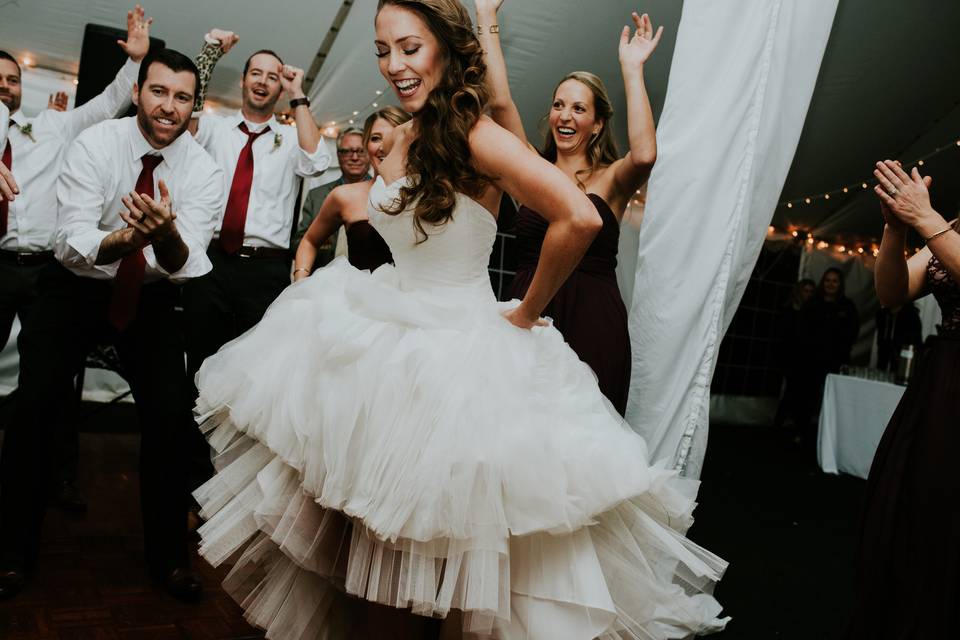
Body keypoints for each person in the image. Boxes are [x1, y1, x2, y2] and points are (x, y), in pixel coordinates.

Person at [190, 1, 728, 637]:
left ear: (446, 47)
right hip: (386, 331)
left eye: (410, 48)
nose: (394, 64)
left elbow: (578, 218)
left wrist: (526, 312)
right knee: (365, 552)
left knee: (420, 562)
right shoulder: (412, 132)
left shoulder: (477, 135)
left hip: (450, 356)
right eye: (383, 49)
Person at [0, 48, 223, 601]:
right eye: (158, 91)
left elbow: (185, 263)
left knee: (171, 417)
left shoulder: (203, 168)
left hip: (146, 297)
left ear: (193, 104)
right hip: (73, 289)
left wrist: (164, 235)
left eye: (182, 97)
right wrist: (128, 237)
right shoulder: (96, 143)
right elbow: (71, 243)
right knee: (33, 407)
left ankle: (169, 558)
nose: (169, 107)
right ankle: (10, 552)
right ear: (139, 91)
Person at [0, 6, 152, 515]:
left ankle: (61, 478)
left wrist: (134, 64)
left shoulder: (53, 127)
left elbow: (109, 104)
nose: (5, 86)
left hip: (46, 270)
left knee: (51, 381)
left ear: (22, 88)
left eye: (11, 79)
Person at [475, 0, 661, 415]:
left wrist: (632, 70)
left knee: (587, 439)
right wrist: (486, 17)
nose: (565, 114)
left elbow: (646, 155)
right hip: (530, 314)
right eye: (559, 104)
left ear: (596, 124)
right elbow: (501, 101)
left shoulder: (611, 180)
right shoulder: (531, 173)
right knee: (518, 429)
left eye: (579, 108)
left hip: (593, 317)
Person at [182, 29, 330, 489]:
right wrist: (209, 54)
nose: (263, 81)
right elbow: (182, 112)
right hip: (210, 263)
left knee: (252, 378)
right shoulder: (212, 128)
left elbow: (316, 160)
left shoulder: (288, 139)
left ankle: (234, 483)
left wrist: (299, 94)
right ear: (243, 80)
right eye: (256, 73)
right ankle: (193, 478)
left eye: (272, 76)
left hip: (264, 269)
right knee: (201, 370)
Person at [844, 161, 960, 638]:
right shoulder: (952, 227)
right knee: (919, 504)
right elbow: (892, 292)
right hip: (942, 385)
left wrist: (925, 219)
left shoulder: (941, 225)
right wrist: (895, 230)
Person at [293, 107, 408, 278]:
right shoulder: (345, 196)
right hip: (358, 299)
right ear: (367, 146)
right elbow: (308, 241)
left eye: (394, 137)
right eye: (375, 138)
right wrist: (301, 282)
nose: (384, 146)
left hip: (414, 299)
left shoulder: (431, 193)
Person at [293, 126, 373, 264]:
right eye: (346, 151)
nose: (354, 157)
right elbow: (298, 245)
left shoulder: (383, 193)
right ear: (338, 155)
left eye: (361, 151)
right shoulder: (316, 196)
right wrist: (321, 238)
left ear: (370, 154)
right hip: (324, 276)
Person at [774, 278, 815, 428]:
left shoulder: (813, 312)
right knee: (791, 390)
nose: (809, 294)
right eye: (806, 291)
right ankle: (781, 421)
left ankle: (794, 422)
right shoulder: (789, 311)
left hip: (806, 359)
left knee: (799, 392)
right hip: (790, 357)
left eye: (811, 291)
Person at [874, 302, 922, 372]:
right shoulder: (882, 314)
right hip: (883, 364)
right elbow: (881, 343)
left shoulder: (911, 316)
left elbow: (916, 345)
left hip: (903, 366)